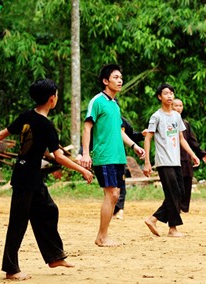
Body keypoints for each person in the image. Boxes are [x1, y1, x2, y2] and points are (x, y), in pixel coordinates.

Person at [0, 79, 94, 280]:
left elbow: (5, 134)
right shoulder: (46, 125)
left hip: (30, 176)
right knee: (18, 222)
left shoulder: (28, 116)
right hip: (26, 178)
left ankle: (54, 257)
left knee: (49, 210)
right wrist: (82, 170)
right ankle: (11, 269)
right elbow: (58, 156)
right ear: (52, 99)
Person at [79, 64, 145, 247]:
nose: (120, 80)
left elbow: (119, 131)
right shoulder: (97, 101)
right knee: (111, 194)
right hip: (104, 156)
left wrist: (134, 146)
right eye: (116, 77)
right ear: (105, 81)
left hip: (118, 156)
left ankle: (103, 235)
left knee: (115, 195)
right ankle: (102, 236)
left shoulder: (115, 105)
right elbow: (87, 126)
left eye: (121, 77)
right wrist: (85, 153)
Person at [143, 84, 200, 237]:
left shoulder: (176, 116)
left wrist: (192, 154)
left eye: (171, 93)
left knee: (180, 193)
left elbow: (181, 138)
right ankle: (172, 228)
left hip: (176, 161)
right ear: (159, 97)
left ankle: (153, 218)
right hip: (163, 161)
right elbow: (148, 138)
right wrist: (147, 162)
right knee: (173, 193)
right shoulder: (157, 116)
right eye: (166, 93)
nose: (169, 96)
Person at [76, 116, 144, 220]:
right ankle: (111, 210)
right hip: (105, 157)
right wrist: (82, 153)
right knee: (110, 189)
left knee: (120, 186)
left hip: (119, 157)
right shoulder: (101, 121)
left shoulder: (122, 121)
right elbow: (91, 138)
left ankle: (120, 209)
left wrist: (142, 135)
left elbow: (130, 136)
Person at [172, 98, 206, 212]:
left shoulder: (185, 124)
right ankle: (175, 206)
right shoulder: (167, 122)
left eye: (180, 105)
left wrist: (201, 154)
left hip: (186, 157)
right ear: (171, 106)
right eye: (176, 106)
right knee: (175, 183)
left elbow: (192, 141)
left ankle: (184, 207)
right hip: (173, 158)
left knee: (187, 182)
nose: (178, 108)